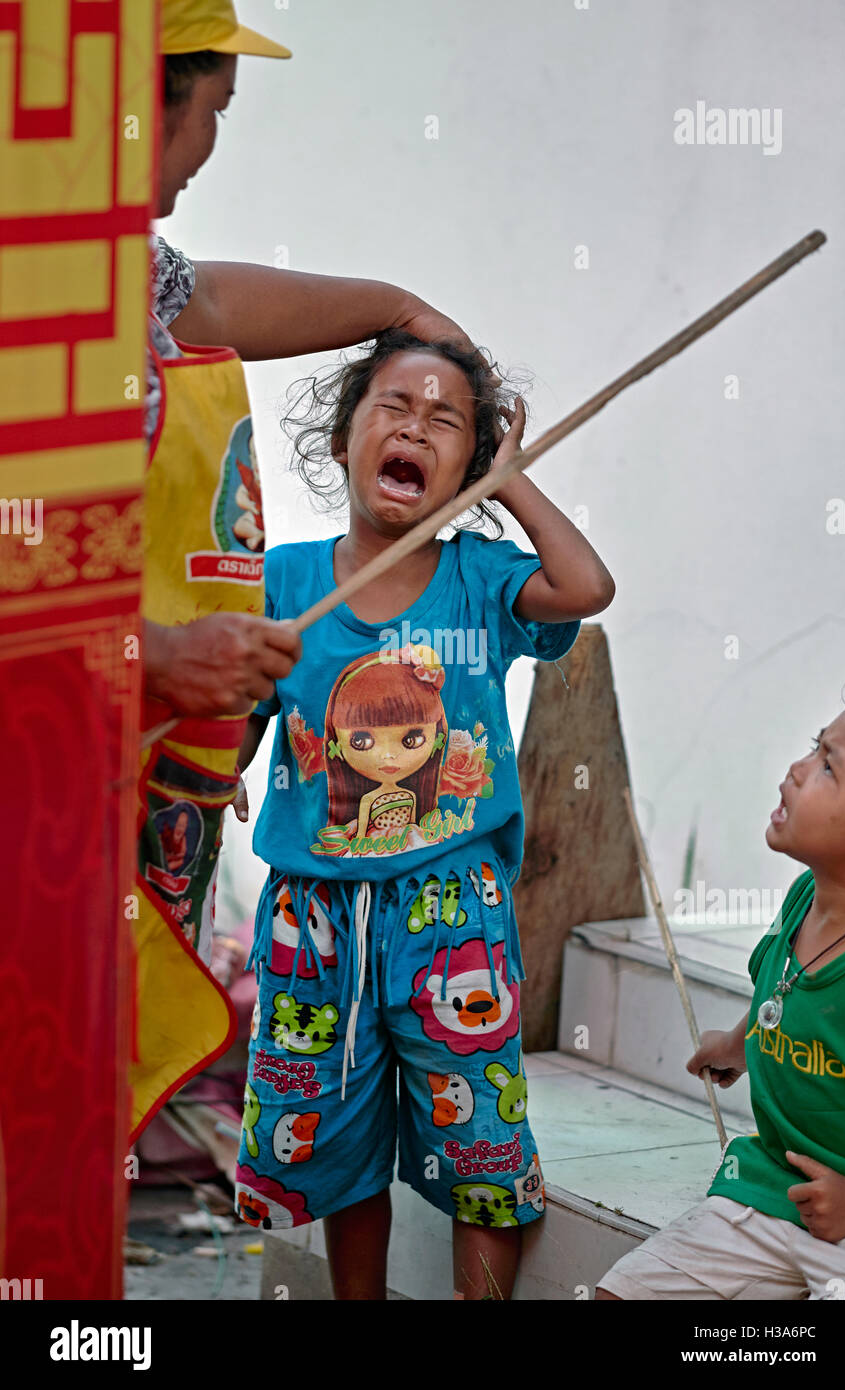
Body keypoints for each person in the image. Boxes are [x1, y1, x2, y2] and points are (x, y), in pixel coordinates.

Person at [132, 0, 492, 1137]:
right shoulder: (31, 296)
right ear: (148, 99)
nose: (211, 145)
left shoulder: (119, 274)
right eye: (218, 107)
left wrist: (396, 310)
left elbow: (209, 301)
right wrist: (156, 663)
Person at [230, 329, 616, 1299]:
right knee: (336, 1143)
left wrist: (512, 482)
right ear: (340, 440)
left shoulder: (482, 582)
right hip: (312, 921)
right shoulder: (285, 583)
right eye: (393, 408)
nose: (415, 425)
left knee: (479, 1148)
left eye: (447, 421)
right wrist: (216, 767)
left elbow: (585, 587)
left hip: (453, 920)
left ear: (466, 466)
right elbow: (243, 710)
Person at [596, 687, 845, 1301]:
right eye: (813, 749)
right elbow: (783, 993)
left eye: (829, 767)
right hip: (771, 1188)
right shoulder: (804, 899)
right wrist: (740, 1042)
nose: (796, 772)